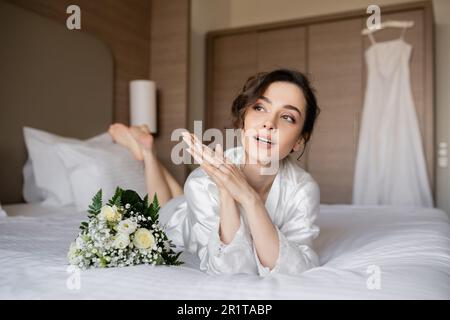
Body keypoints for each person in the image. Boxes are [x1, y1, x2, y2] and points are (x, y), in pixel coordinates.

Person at [109, 69, 321, 276]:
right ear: (243, 119)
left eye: (287, 117)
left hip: (191, 198)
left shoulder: (302, 188)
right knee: (163, 206)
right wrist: (225, 190)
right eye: (260, 107)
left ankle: (146, 148)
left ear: (299, 141)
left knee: (178, 195)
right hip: (179, 218)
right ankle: (148, 152)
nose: (269, 123)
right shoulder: (202, 182)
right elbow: (231, 269)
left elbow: (298, 267)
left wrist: (249, 198)